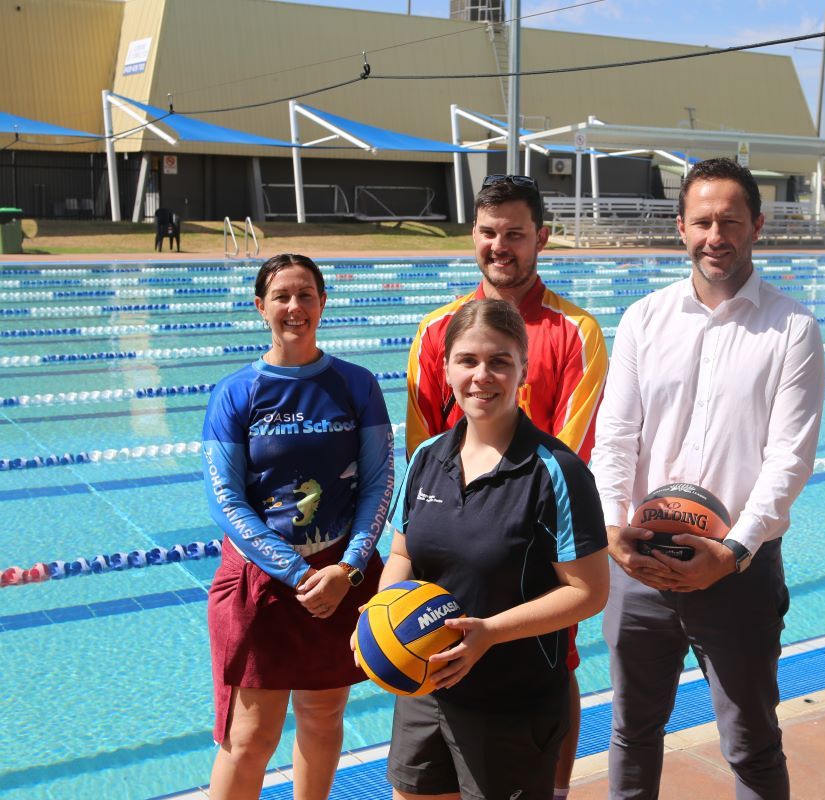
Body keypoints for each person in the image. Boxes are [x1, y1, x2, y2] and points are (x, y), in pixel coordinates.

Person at [591, 157, 825, 799]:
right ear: (681, 227)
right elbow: (616, 433)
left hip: (738, 571)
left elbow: (790, 457)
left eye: (730, 220)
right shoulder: (644, 318)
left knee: (749, 741)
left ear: (757, 225)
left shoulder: (793, 327)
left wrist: (732, 551)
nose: (715, 235)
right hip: (639, 561)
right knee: (632, 732)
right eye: (702, 221)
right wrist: (613, 527)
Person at [405, 173, 608, 795]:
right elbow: (422, 450)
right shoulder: (436, 330)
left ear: (541, 238)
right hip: (447, 543)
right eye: (489, 233)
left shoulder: (577, 332)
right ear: (474, 235)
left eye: (515, 234)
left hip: (534, 547)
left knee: (556, 664)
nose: (501, 246)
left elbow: (572, 451)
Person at [201, 253, 394, 800]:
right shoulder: (237, 392)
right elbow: (226, 501)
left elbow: (379, 482)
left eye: (306, 294)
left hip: (340, 574)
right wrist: (295, 571)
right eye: (282, 296)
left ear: (323, 303)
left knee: (323, 713)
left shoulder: (355, 385)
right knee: (250, 734)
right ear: (260, 307)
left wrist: (350, 567)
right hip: (262, 580)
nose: (295, 307)